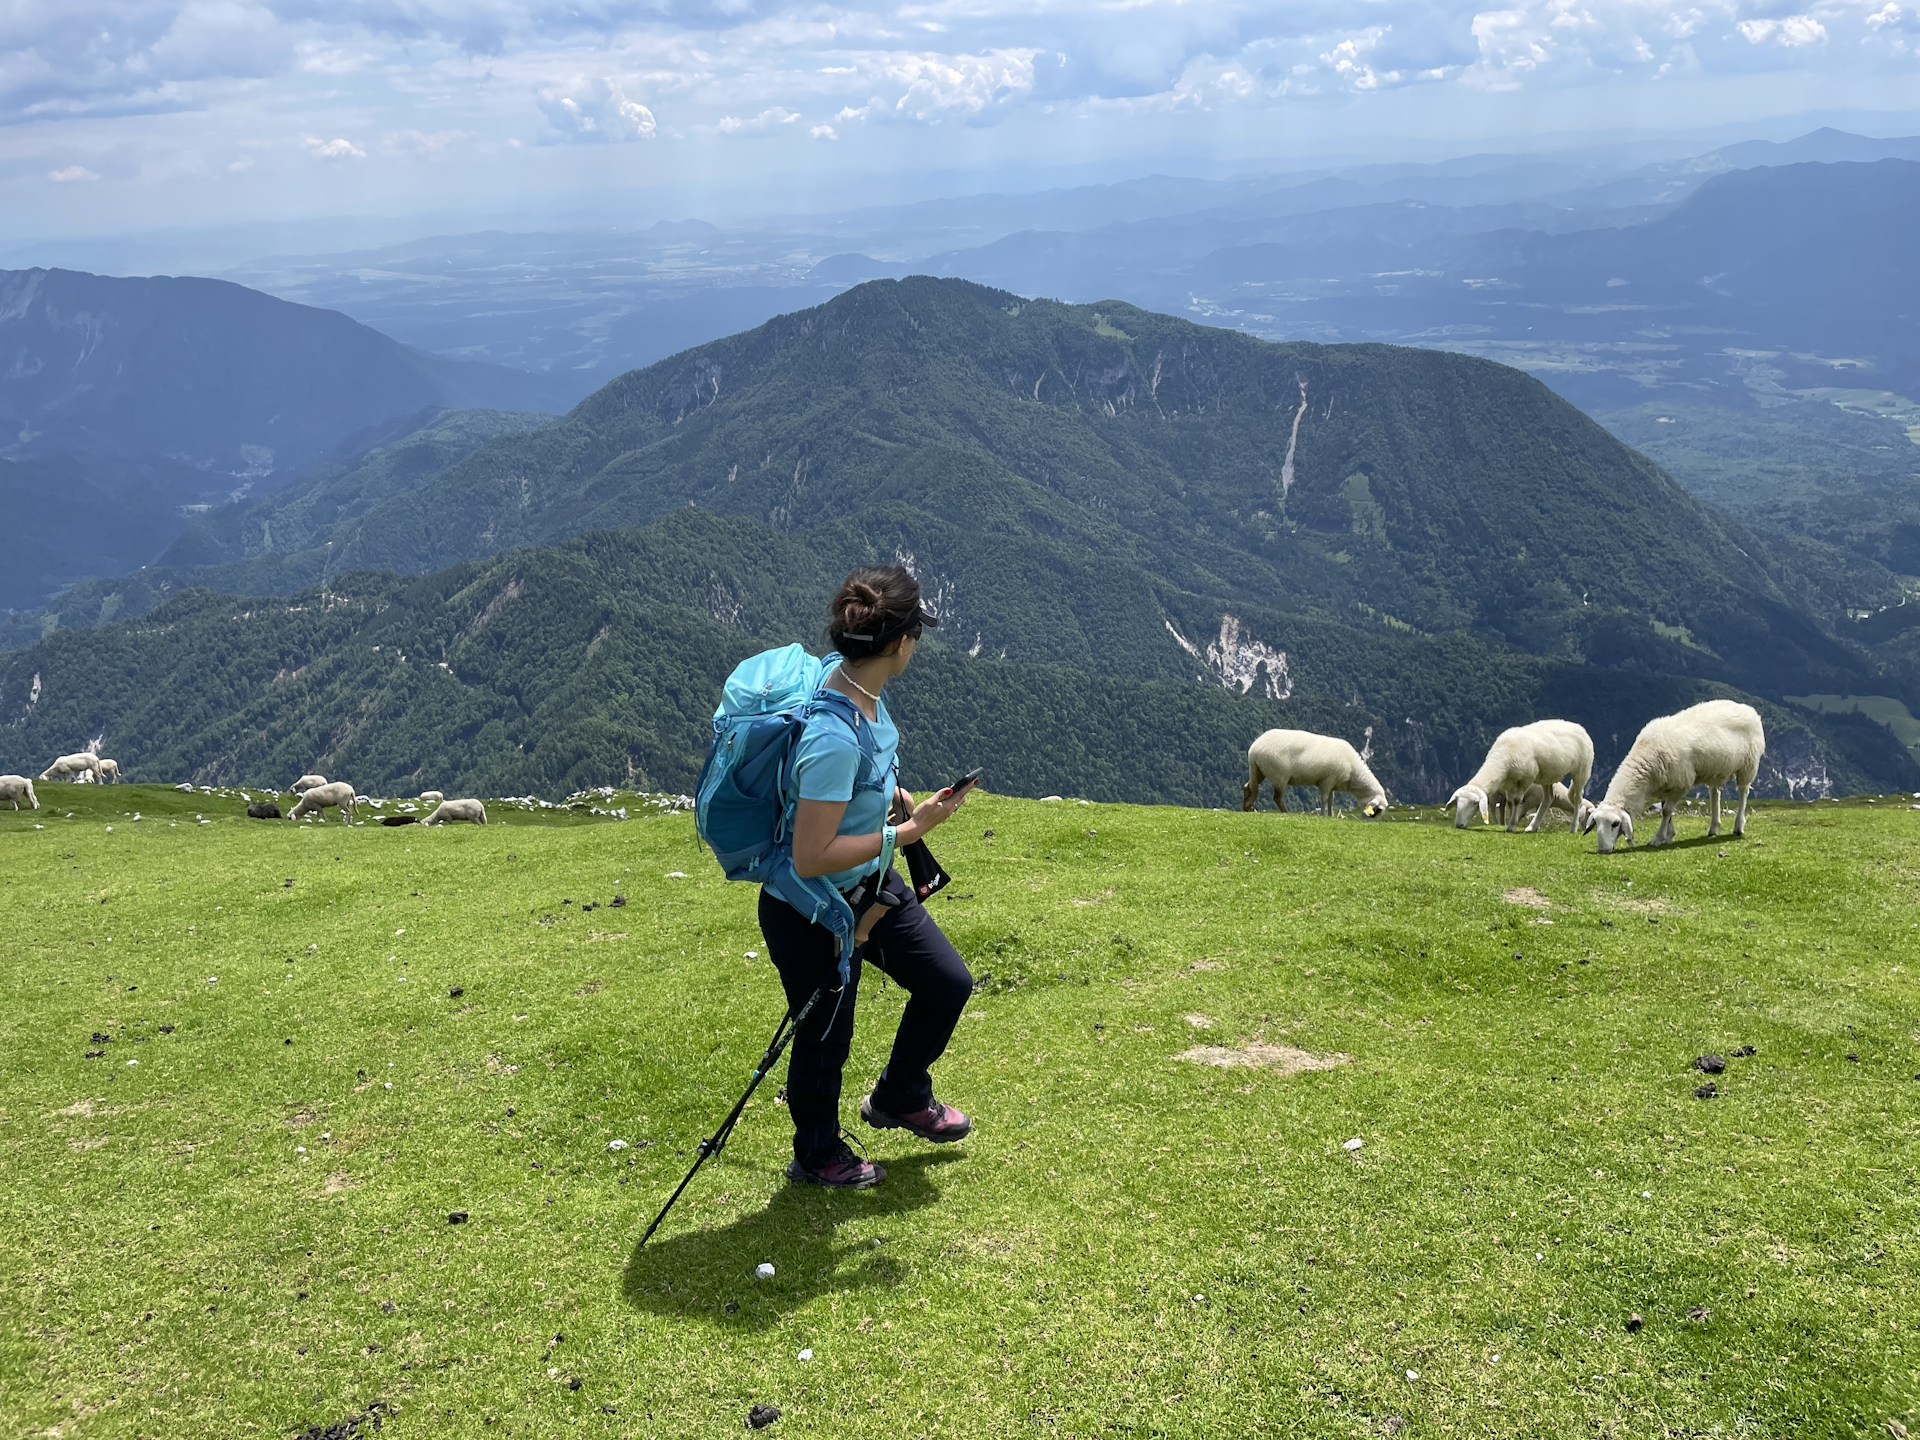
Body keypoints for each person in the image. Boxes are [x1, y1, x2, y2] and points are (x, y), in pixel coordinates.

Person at [759, 564, 975, 1189]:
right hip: (813, 909)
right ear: (899, 642)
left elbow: (856, 783)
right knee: (827, 1035)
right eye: (916, 635)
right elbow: (809, 854)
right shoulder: (832, 733)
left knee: (945, 982)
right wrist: (908, 834)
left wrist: (895, 799)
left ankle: (899, 1096)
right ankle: (818, 1154)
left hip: (872, 886)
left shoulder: (857, 688)